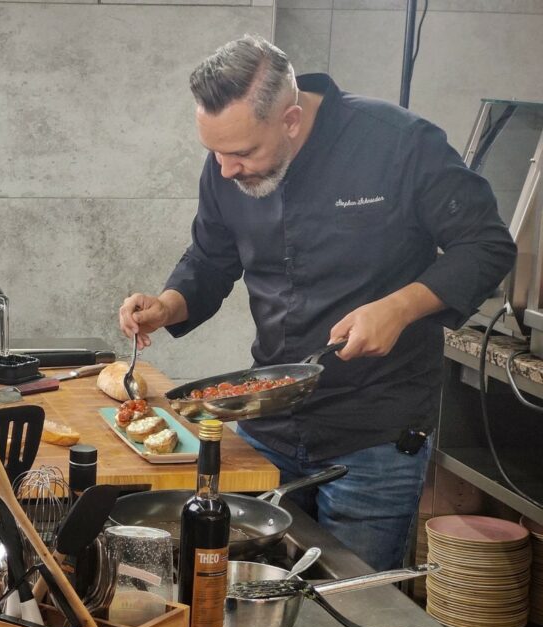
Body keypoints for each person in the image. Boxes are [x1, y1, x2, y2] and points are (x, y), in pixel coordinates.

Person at [120, 36, 515, 573]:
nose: (227, 170)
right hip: (266, 424)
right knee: (247, 591)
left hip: (374, 433)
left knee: (349, 602)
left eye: (241, 154)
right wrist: (167, 305)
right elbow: (211, 259)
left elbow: (487, 245)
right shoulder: (226, 162)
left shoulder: (397, 142)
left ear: (290, 119)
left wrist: (398, 308)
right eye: (215, 152)